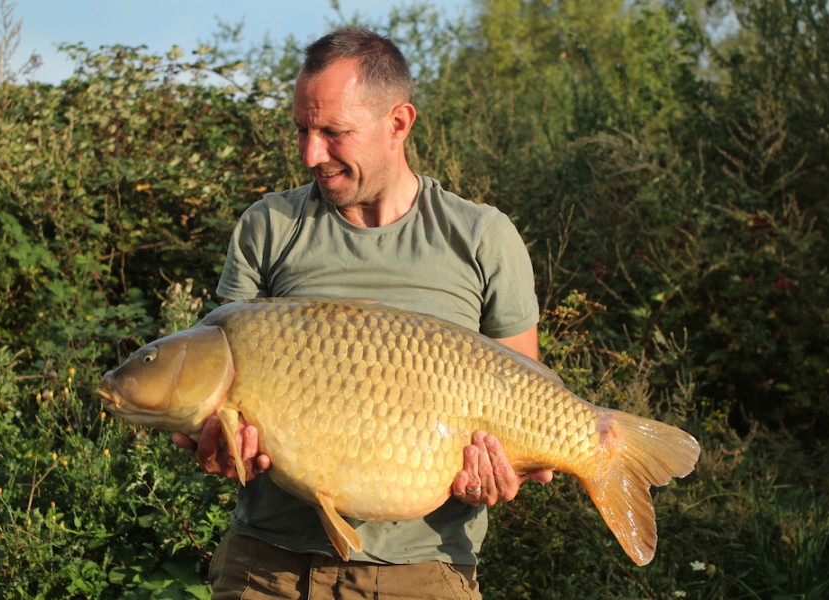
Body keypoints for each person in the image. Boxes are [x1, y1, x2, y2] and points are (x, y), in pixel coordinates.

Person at [172, 27, 552, 599]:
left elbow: (529, 409)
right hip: (265, 565)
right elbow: (219, 377)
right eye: (302, 129)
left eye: (333, 132)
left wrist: (503, 472)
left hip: (424, 571)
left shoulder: (480, 237)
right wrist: (212, 440)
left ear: (398, 123)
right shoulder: (269, 228)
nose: (310, 154)